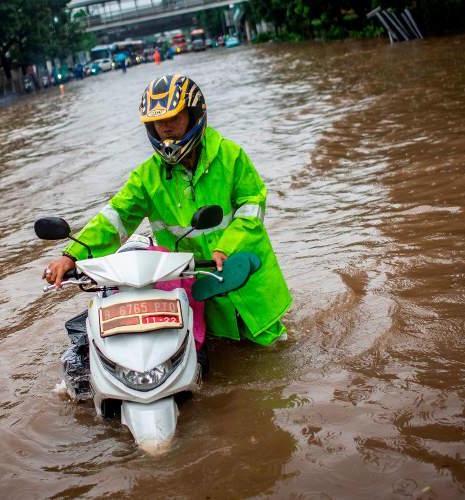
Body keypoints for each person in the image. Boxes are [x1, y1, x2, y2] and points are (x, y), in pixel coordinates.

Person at [43, 74, 291, 392]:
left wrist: (226, 247)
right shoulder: (147, 177)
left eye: (173, 117)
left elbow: (251, 209)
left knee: (279, 372)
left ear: (194, 114)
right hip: (197, 292)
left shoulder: (231, 157)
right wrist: (71, 255)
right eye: (158, 122)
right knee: (214, 377)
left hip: (249, 288)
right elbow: (114, 219)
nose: (166, 128)